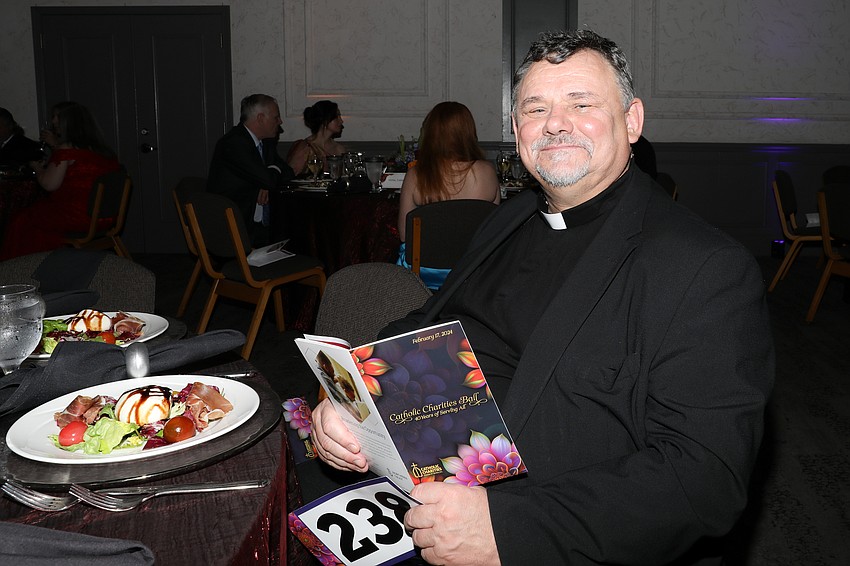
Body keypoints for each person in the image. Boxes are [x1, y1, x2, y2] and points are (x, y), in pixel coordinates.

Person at [309, 29, 774, 565]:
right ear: (516, 129)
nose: (555, 122)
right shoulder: (509, 218)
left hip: (545, 532)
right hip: (428, 471)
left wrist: (508, 531)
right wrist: (351, 397)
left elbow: (705, 479)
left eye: (582, 103)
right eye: (536, 108)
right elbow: (428, 324)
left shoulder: (705, 268)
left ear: (632, 121)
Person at [396, 101, 500, 289]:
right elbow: (493, 230)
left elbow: (405, 235)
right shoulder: (487, 171)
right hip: (473, 272)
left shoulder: (416, 174)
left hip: (424, 275)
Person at [0, 101, 120, 260]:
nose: (53, 121)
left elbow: (49, 185)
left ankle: (24, 267)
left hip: (78, 217)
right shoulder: (102, 150)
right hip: (103, 217)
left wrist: (37, 168)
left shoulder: (67, 149)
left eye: (57, 117)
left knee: (22, 219)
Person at [207, 94, 294, 246]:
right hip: (235, 229)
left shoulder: (266, 143)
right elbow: (270, 179)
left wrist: (266, 180)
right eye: (276, 117)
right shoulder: (233, 144)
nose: (280, 122)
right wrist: (268, 177)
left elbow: (288, 172)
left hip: (258, 226)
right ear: (260, 118)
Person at [285, 100, 345, 176]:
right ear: (325, 120)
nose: (341, 121)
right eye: (337, 116)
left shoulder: (338, 149)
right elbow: (290, 176)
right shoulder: (305, 147)